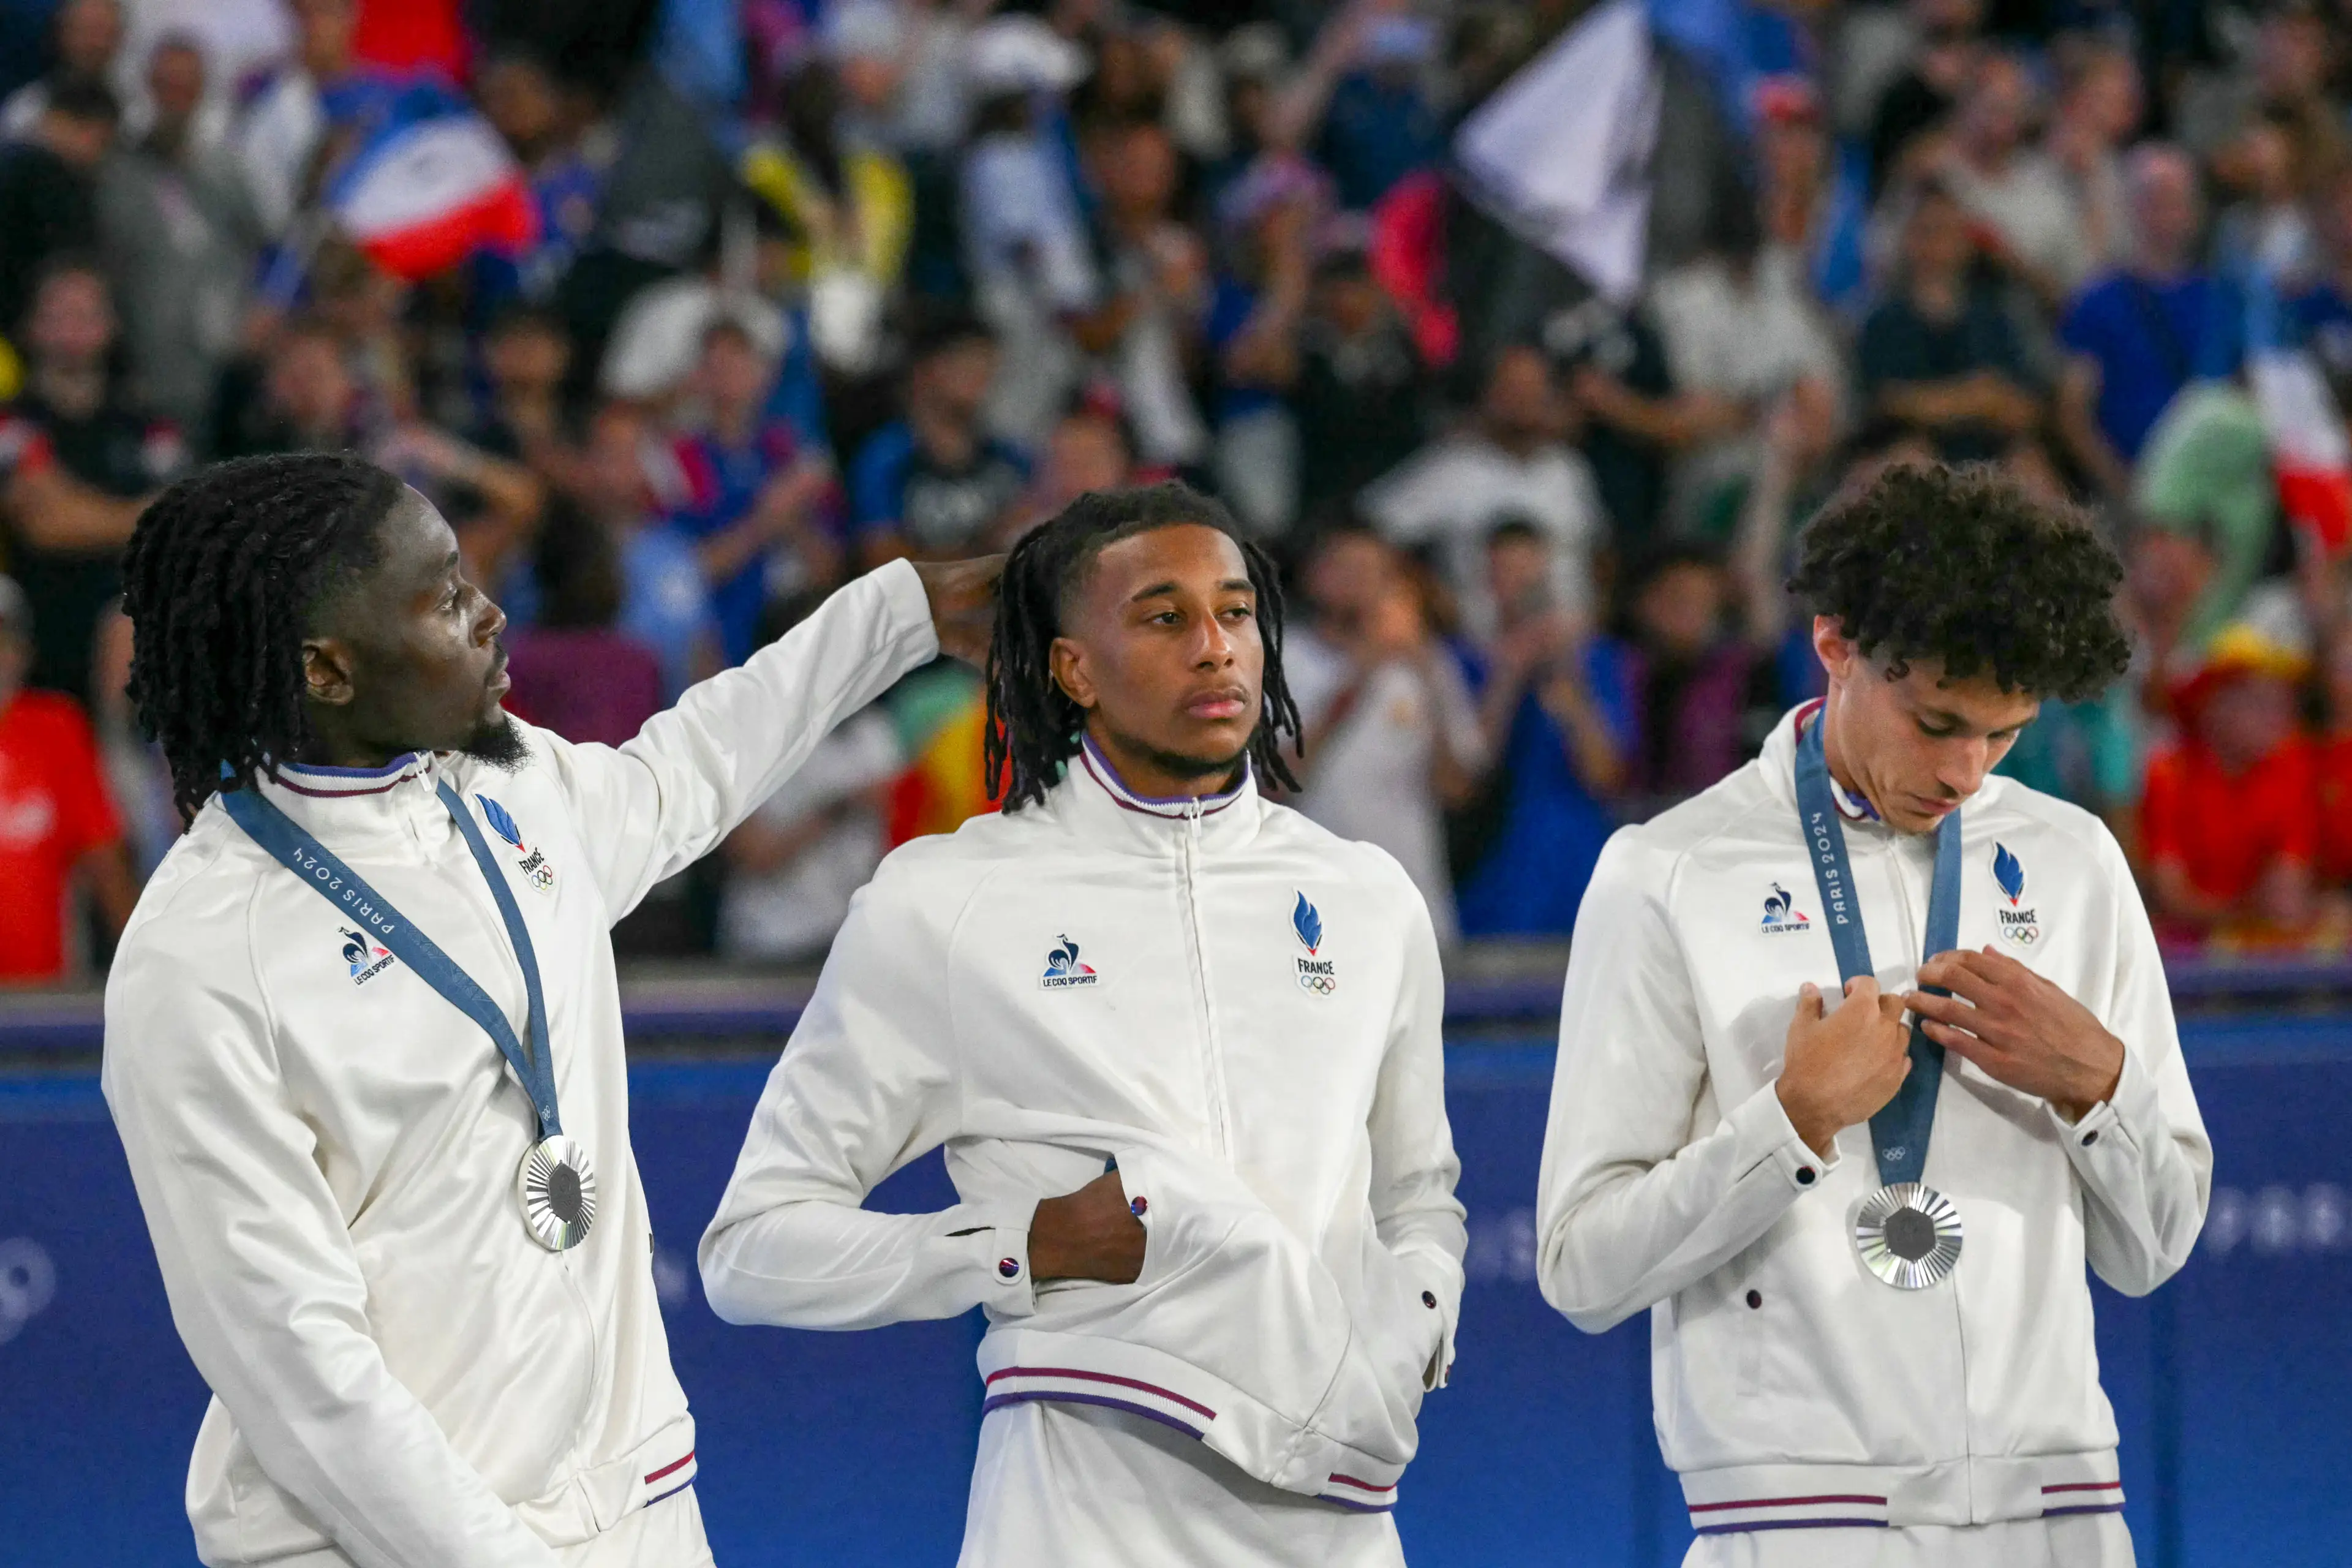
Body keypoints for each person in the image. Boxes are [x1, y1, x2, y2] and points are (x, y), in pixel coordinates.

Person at [102, 451, 999, 1567]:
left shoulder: (507, 784)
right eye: (441, 597)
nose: (490, 615)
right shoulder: (200, 958)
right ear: (326, 670)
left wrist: (900, 613)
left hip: (641, 1509)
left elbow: (689, 774)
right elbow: (297, 1368)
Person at [699, 481, 1465, 1566]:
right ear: (1073, 667)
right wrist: (1023, 1247)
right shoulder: (947, 902)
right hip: (1081, 1517)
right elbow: (751, 1250)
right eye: (1164, 617)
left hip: (1338, 1505)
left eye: (1236, 613)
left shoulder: (1369, 897)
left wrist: (1416, 1331)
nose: (1215, 649)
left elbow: (1420, 1197)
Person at [1537, 464, 2209, 1566]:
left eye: (2002, 734)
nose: (1963, 772)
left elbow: (2158, 1246)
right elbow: (1579, 1267)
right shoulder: (1668, 874)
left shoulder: (2075, 861)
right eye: (1937, 721)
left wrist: (2101, 1088)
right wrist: (1787, 1124)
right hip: (1799, 1524)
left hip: (2060, 1516)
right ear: (1835, 642)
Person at [2058, 145, 2244, 502]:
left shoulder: (2223, 299)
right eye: (2152, 199)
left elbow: (2237, 397)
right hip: (2126, 486)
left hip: (2206, 494)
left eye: (2174, 200)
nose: (2163, 213)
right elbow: (2073, 411)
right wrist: (2121, 484)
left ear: (2194, 211)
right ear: (2130, 208)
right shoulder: (2098, 300)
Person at [0, 573, 136, 983]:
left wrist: (155, 969)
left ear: (23, 650)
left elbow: (105, 862)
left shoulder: (56, 728)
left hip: (45, 1002)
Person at [849, 310, 1030, 566]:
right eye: (964, 362)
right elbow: (886, 564)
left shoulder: (1011, 459)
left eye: (986, 363)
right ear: (923, 372)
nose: (980, 377)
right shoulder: (885, 461)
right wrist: (986, 548)